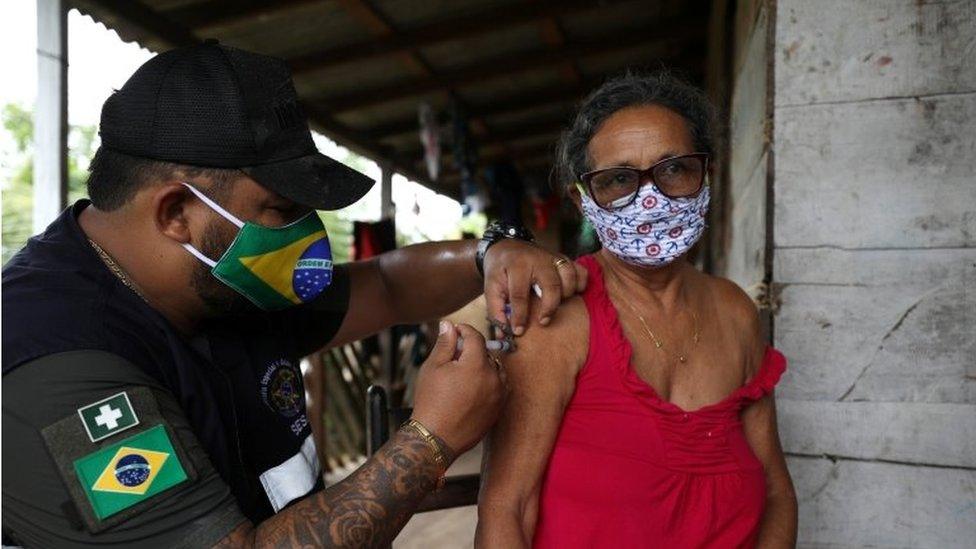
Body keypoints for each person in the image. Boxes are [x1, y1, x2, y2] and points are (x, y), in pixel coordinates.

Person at [1, 41, 588, 548]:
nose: (304, 234)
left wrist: (491, 253)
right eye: (282, 210)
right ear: (177, 212)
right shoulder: (54, 358)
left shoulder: (228, 285)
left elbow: (386, 284)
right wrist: (430, 441)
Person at [476, 73, 798, 548]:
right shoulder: (558, 320)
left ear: (705, 175)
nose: (649, 198)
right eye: (618, 180)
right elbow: (507, 510)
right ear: (582, 201)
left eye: (674, 169)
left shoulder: (735, 312)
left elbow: (775, 492)